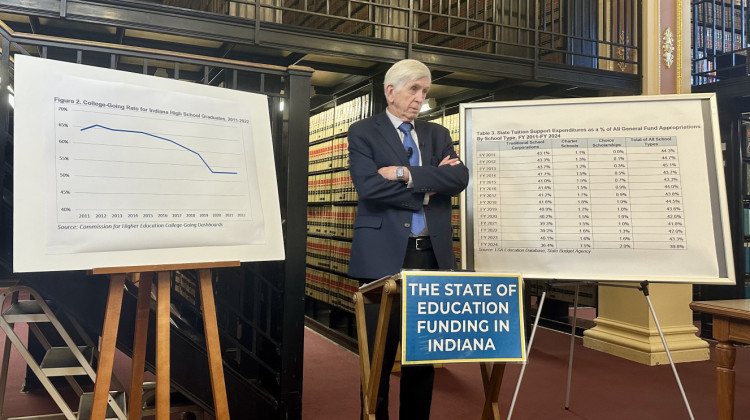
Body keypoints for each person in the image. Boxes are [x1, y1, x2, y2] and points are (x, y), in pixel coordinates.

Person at [347, 59, 469, 420]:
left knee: (422, 357)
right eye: (414, 89)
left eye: (425, 92)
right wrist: (430, 187)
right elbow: (368, 188)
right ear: (391, 91)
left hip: (431, 257)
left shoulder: (437, 135)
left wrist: (403, 173)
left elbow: (459, 179)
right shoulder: (363, 131)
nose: (420, 99)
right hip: (381, 257)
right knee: (377, 357)